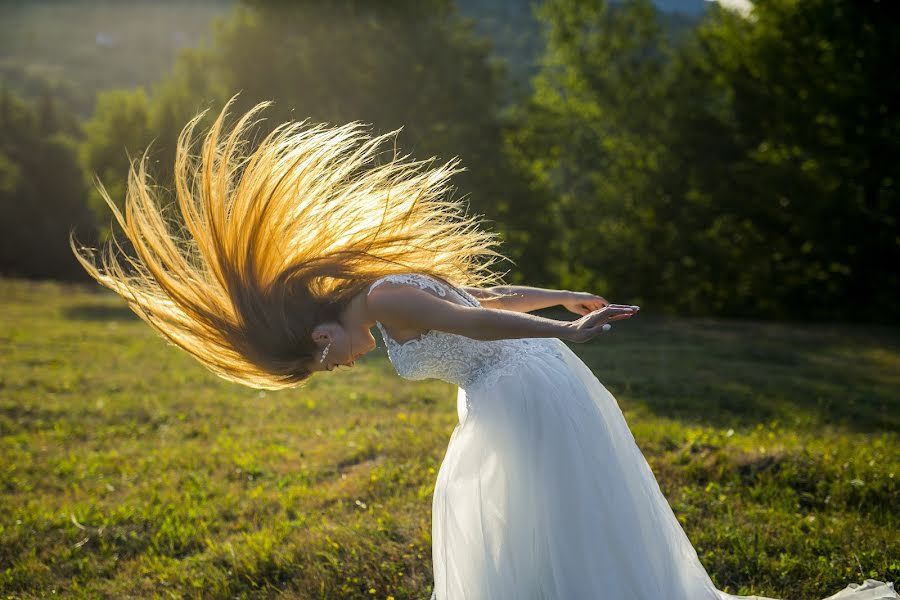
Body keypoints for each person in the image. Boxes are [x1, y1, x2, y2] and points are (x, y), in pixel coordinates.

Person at [72, 96, 897, 600]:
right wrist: (561, 298)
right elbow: (485, 300)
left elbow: (474, 323)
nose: (339, 367)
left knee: (531, 517)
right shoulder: (384, 303)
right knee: (524, 518)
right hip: (517, 391)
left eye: (322, 360)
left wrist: (563, 326)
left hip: (526, 388)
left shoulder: (382, 300)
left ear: (319, 331)